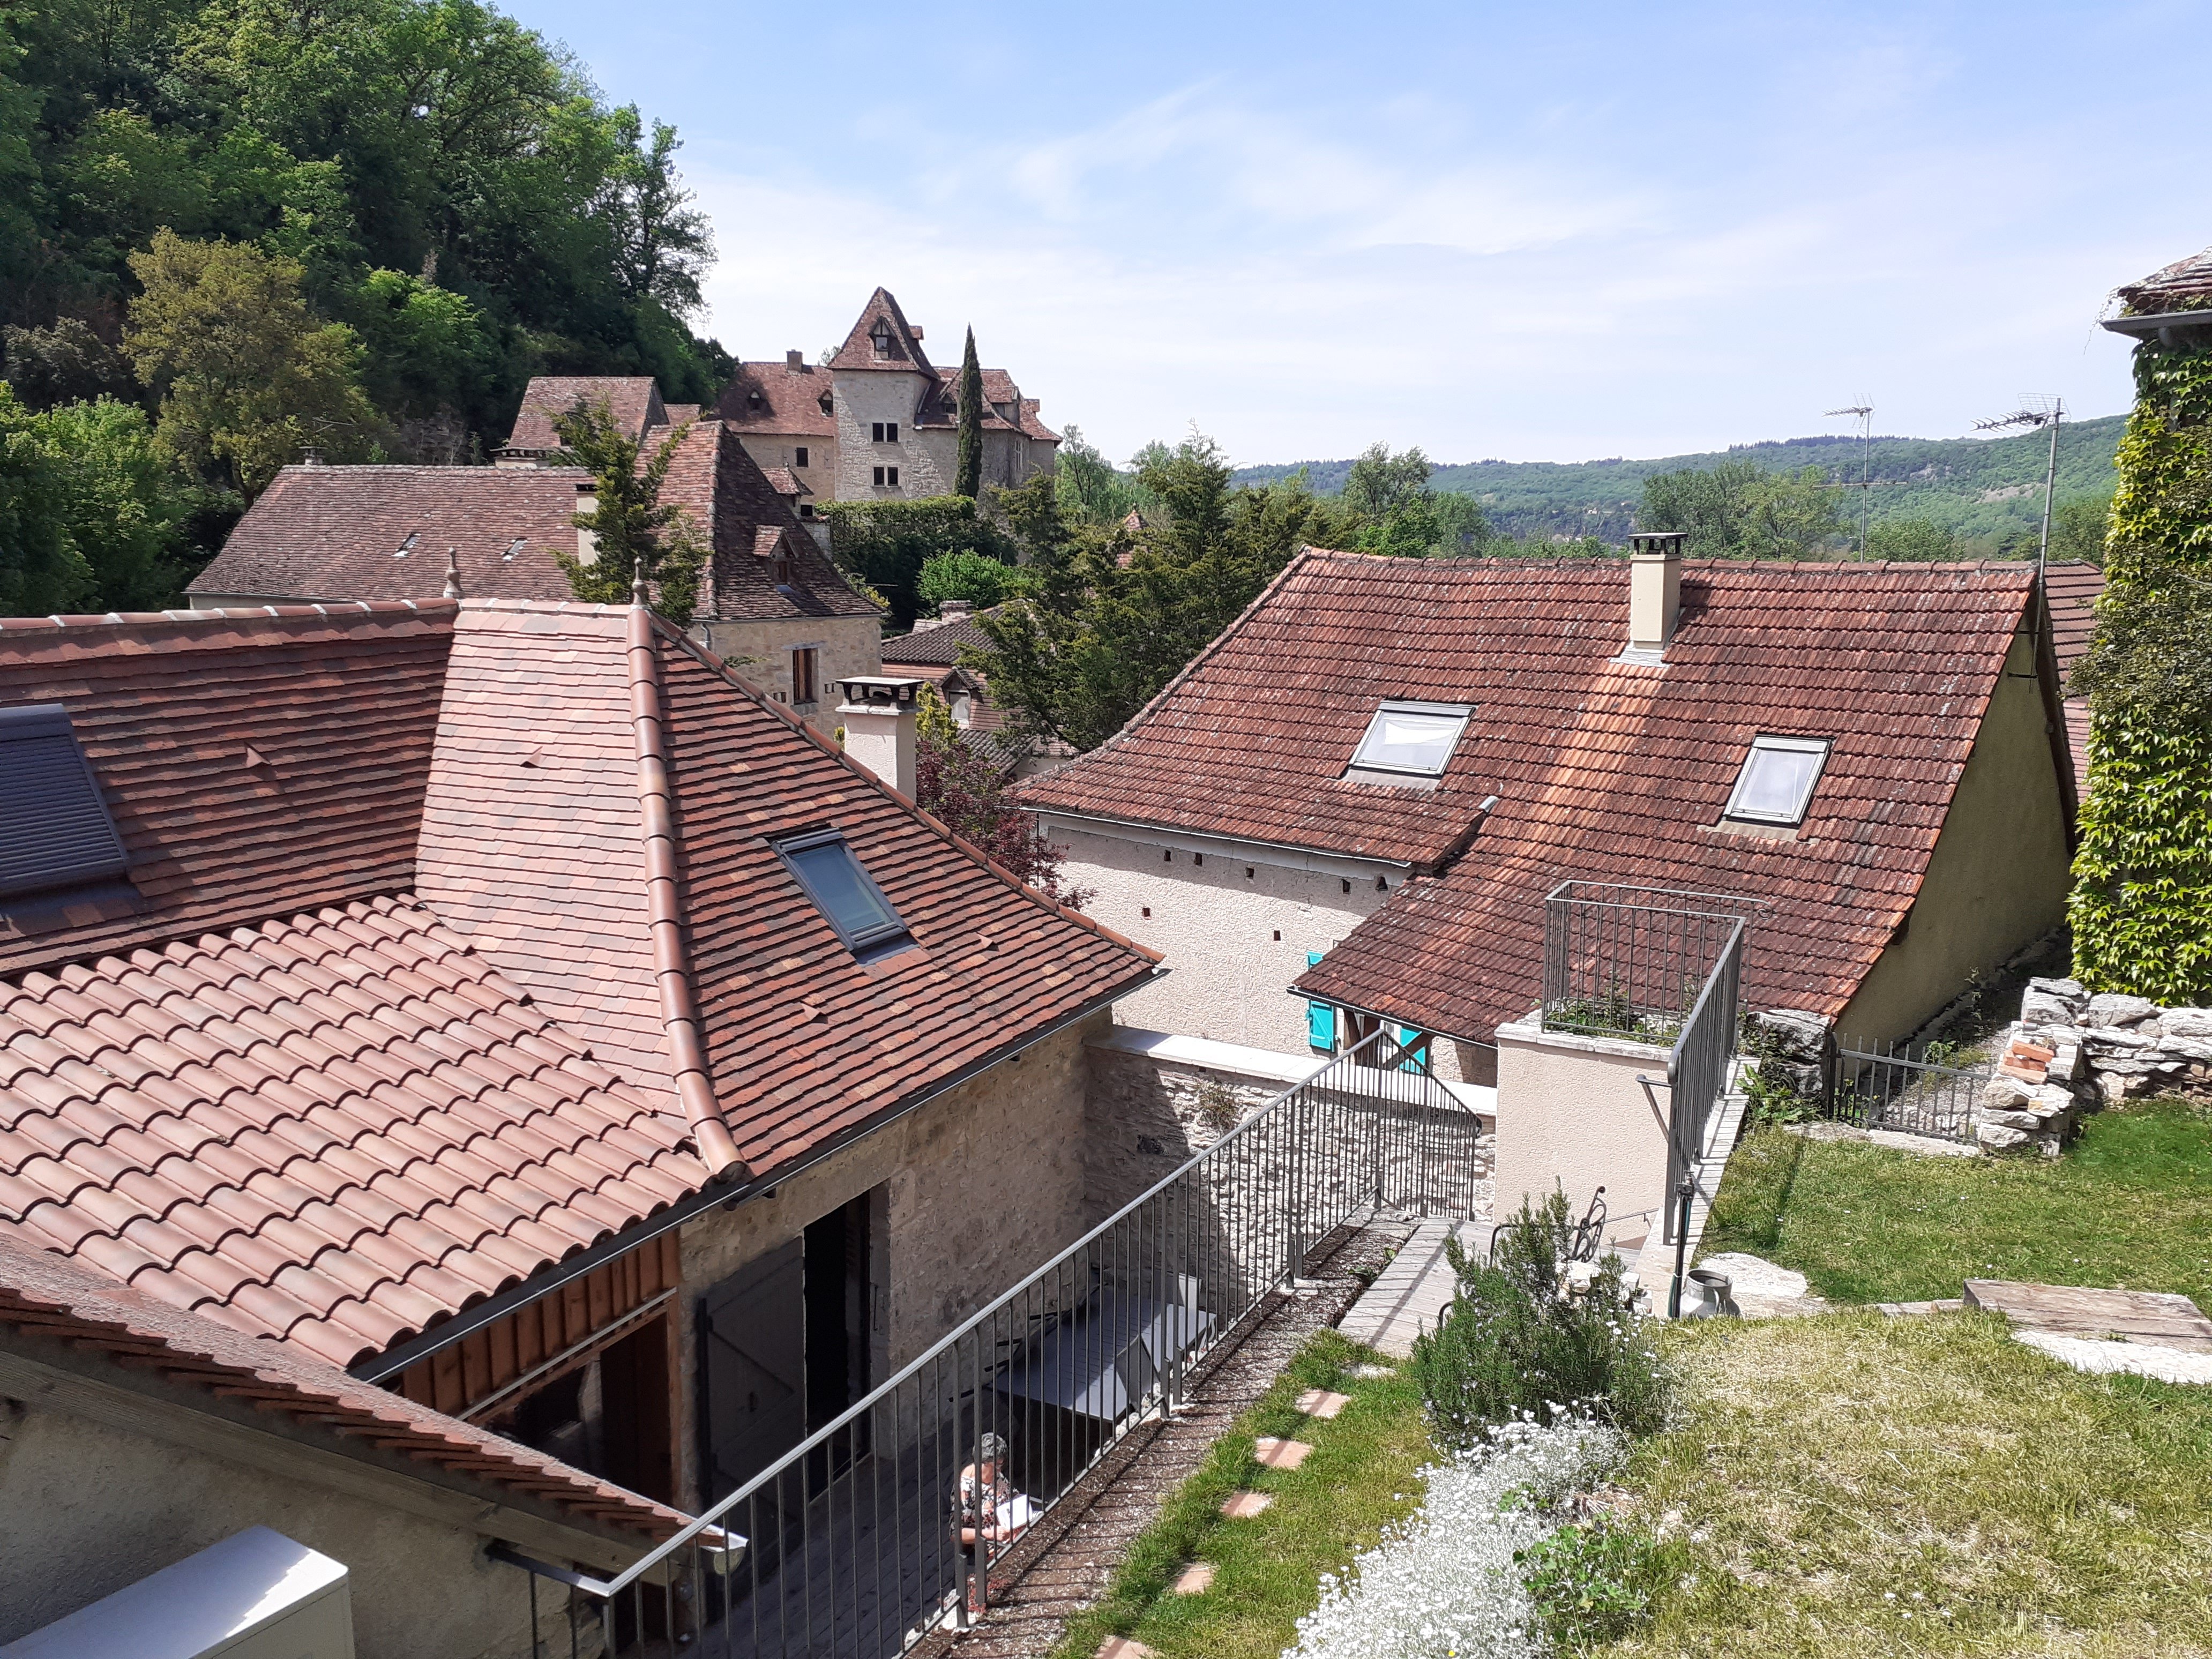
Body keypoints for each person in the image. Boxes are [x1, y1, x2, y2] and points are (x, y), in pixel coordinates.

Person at [952, 1432, 1032, 1613]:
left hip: (1012, 1531)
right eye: (995, 1467)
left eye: (1000, 1466)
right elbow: (956, 1534)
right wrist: (989, 1534)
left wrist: (1020, 1503)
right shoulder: (966, 1490)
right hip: (990, 1545)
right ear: (981, 1464)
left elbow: (1010, 1493)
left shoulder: (995, 1476)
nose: (999, 1471)